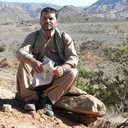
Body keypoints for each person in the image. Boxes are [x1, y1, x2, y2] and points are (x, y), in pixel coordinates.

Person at [16, 7, 78, 117]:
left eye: (51, 18)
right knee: (24, 63)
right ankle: (31, 99)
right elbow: (20, 52)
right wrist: (32, 61)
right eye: (44, 18)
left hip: (54, 76)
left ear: (56, 22)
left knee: (73, 72)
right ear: (40, 20)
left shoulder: (64, 37)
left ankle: (47, 101)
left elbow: (73, 58)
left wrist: (63, 68)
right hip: (36, 73)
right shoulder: (33, 36)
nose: (47, 21)